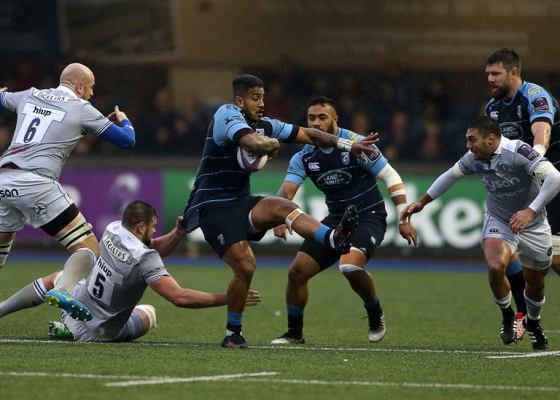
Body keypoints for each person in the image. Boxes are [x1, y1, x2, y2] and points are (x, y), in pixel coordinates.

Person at [183, 74, 377, 348]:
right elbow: (251, 143)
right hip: (213, 207)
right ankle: (233, 333)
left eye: (263, 97)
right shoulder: (226, 114)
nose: (262, 103)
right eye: (255, 98)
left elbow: (309, 135)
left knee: (282, 206)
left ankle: (333, 238)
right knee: (246, 266)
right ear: (239, 101)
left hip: (240, 202)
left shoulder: (265, 124)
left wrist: (348, 144)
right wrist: (272, 144)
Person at [401, 116, 560, 350]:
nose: (468, 145)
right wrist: (422, 202)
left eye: (472, 140)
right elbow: (450, 175)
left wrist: (530, 211)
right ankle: (507, 315)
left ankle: (533, 323)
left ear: (491, 139)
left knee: (536, 286)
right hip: (499, 220)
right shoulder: (473, 158)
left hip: (534, 225)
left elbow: (555, 178)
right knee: (495, 266)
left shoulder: (518, 152)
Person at [0, 200, 261, 342]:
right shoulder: (145, 259)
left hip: (76, 306)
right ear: (140, 227)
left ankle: (4, 309)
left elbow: (153, 245)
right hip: (98, 332)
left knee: (60, 278)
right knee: (148, 312)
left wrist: (178, 233)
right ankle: (76, 332)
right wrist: (229, 298)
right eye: (153, 226)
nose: (155, 231)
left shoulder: (113, 229)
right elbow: (179, 298)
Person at [269, 97, 417, 345]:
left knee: (349, 267)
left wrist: (404, 217)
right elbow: (287, 190)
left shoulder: (357, 144)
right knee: (296, 272)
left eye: (322, 117)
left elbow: (391, 176)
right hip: (336, 221)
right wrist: (279, 215)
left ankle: (374, 313)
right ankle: (294, 333)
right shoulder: (304, 156)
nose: (316, 123)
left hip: (369, 216)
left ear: (335, 120)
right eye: (311, 118)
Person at [0, 63, 136, 321]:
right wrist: (124, 120)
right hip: (36, 182)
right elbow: (127, 140)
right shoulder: (81, 107)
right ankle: (62, 289)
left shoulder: (29, 94)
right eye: (91, 88)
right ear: (80, 86)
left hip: (4, 178)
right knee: (88, 247)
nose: (92, 94)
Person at [485, 48, 560, 339]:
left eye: (496, 73)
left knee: (552, 263)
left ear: (513, 72)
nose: (490, 79)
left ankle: (527, 316)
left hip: (551, 183)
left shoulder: (535, 97)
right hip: (519, 190)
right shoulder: (493, 108)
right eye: (488, 74)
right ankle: (520, 316)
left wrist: (534, 160)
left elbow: (542, 133)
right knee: (503, 254)